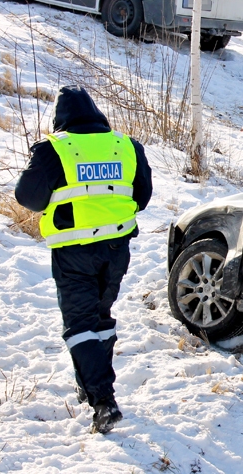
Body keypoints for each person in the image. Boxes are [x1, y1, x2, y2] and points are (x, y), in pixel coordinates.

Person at [15, 85, 152, 434]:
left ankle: (103, 400)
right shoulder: (126, 145)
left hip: (74, 250)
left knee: (79, 325)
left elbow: (27, 197)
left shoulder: (54, 149)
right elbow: (143, 195)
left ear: (61, 119)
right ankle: (87, 383)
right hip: (116, 249)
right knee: (100, 317)